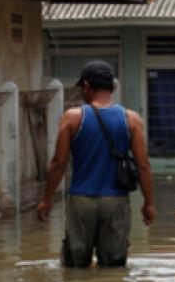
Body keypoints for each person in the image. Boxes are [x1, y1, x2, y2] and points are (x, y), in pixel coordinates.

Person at [37, 60, 155, 267]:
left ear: (87, 87)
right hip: (116, 202)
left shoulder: (73, 118)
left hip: (81, 200)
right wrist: (149, 203)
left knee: (75, 268)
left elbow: (58, 163)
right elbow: (143, 165)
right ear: (112, 87)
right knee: (114, 268)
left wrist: (46, 199)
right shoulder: (132, 119)